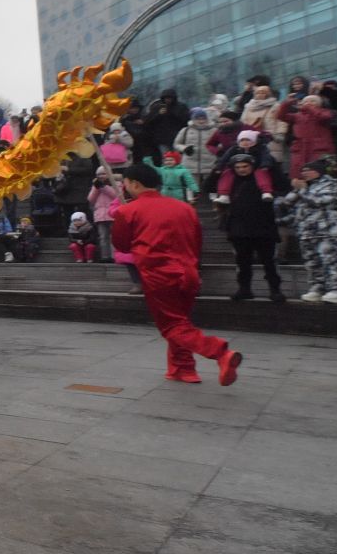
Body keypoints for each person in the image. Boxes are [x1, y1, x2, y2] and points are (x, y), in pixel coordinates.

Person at [113, 163, 241, 385]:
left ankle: (220, 352)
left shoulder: (128, 210)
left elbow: (121, 246)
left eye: (125, 183)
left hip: (158, 275)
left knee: (172, 326)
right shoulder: (184, 208)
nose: (124, 187)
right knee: (180, 322)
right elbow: (197, 241)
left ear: (134, 184)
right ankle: (183, 369)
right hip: (188, 272)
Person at [213, 152, 283, 303]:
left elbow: (281, 182)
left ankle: (275, 289)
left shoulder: (263, 178)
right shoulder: (230, 180)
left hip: (263, 228)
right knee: (242, 262)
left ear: (252, 166)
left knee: (269, 262)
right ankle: (244, 289)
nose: (241, 170)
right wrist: (219, 167)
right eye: (238, 167)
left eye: (245, 166)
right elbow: (209, 185)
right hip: (239, 229)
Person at [279, 155, 337, 303]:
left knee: (330, 260)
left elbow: (319, 202)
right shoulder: (305, 186)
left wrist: (303, 190)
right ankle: (317, 288)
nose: (305, 173)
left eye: (309, 170)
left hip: (327, 230)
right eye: (303, 171)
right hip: (307, 231)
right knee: (311, 262)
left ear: (318, 171)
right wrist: (296, 191)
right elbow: (288, 204)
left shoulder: (330, 184)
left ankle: (336, 290)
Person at [89, 169, 121, 261]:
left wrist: (104, 187)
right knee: (103, 237)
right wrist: (96, 188)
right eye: (99, 174)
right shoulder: (96, 185)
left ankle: (115, 256)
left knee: (114, 236)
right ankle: (105, 256)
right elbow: (91, 199)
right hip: (100, 215)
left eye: (103, 174)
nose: (101, 176)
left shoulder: (117, 183)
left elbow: (117, 196)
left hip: (113, 214)